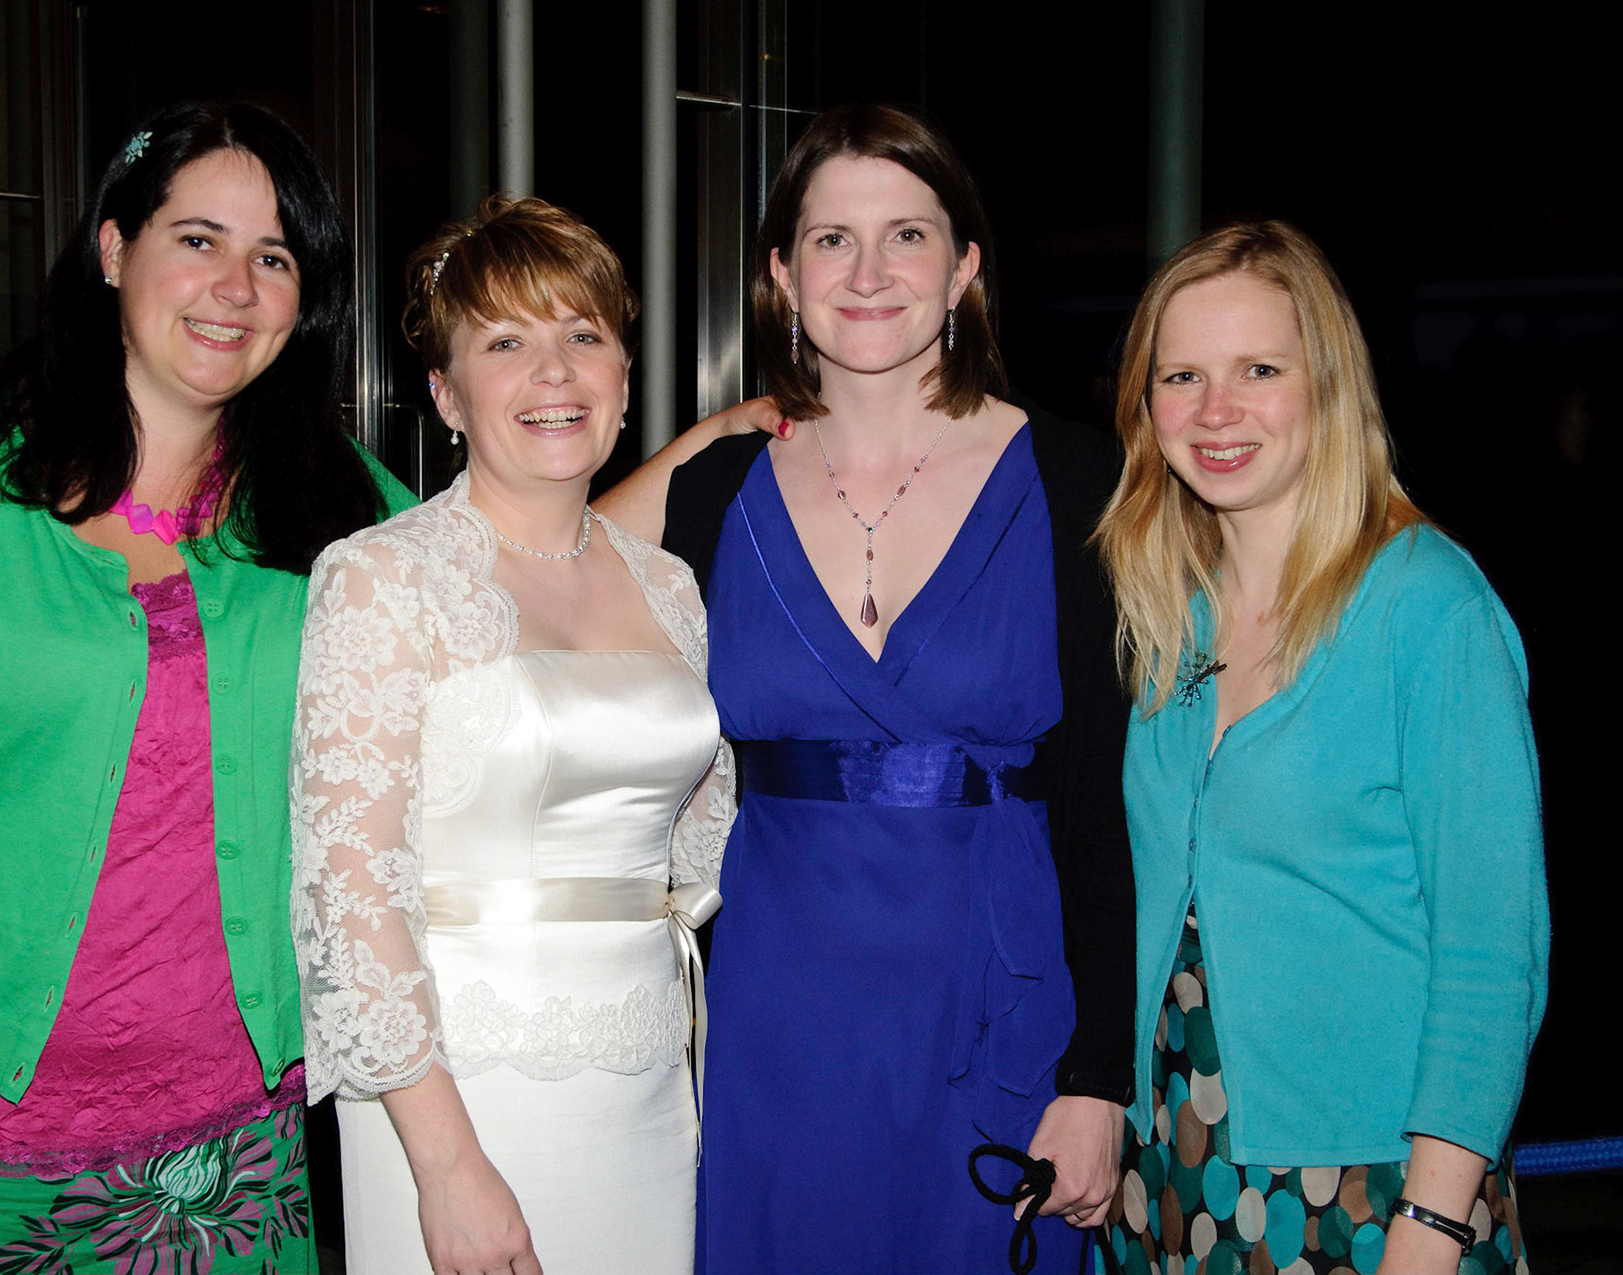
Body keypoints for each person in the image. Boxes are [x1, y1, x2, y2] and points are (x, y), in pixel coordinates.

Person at [0, 101, 413, 1275]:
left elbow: (514, 575)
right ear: (115, 249)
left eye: (275, 258)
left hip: (232, 1157)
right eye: (199, 239)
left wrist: (705, 457)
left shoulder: (334, 506)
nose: (235, 287)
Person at [598, 103, 1136, 1272]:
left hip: (998, 1009)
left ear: (965, 268)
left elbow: (1106, 803)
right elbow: (532, 574)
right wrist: (697, 443)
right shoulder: (719, 489)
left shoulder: (1076, 478)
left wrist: (1099, 1077)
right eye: (831, 240)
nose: (870, 272)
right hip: (778, 1020)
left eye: (907, 235)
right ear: (782, 275)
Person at [292, 194, 733, 1275]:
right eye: (505, 343)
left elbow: (703, 852)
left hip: (650, 1083)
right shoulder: (381, 576)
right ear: (446, 393)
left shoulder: (671, 588)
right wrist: (448, 1167)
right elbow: (351, 899)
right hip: (455, 1102)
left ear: (624, 374)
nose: (554, 372)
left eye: (583, 335)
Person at [1095, 221, 1545, 1275]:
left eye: (1260, 369)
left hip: (1372, 1188)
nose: (1217, 409)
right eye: (1183, 376)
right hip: (1170, 1170)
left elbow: (1493, 955)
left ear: (1329, 387)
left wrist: (1432, 1225)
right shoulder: (1168, 614)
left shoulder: (1428, 607)